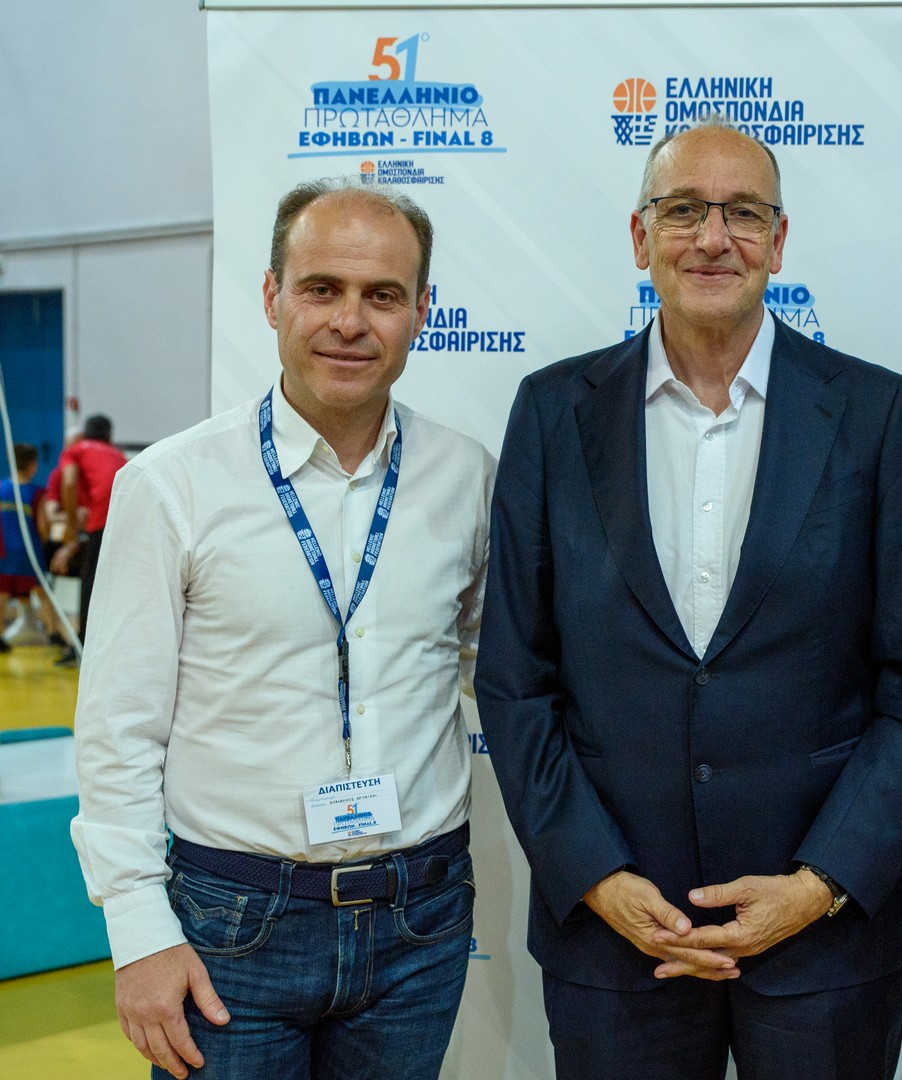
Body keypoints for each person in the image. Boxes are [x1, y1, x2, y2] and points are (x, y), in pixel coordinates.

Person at [474, 116, 902, 1080]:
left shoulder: (874, 413)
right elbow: (515, 681)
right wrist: (598, 878)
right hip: (618, 942)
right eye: (683, 210)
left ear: (779, 241)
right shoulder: (552, 411)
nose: (712, 238)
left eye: (743, 213)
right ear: (639, 236)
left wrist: (817, 887)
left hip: (823, 947)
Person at [71, 179, 495, 1080]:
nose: (350, 321)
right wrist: (138, 930)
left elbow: (493, 668)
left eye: (383, 295)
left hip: (419, 923)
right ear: (272, 297)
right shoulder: (172, 487)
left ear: (422, 312)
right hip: (232, 927)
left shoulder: (467, 478)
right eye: (321, 288)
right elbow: (117, 727)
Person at [49, 414, 127, 663]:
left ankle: (83, 647)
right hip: (126, 522)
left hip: (101, 524)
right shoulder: (119, 455)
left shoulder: (75, 451)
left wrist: (71, 527)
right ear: (109, 436)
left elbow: (69, 482)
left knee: (90, 586)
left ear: (84, 434)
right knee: (117, 586)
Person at [0, 443, 59, 650]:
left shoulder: (1, 488)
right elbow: (43, 527)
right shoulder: (37, 493)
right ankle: (54, 633)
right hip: (29, 552)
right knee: (43, 593)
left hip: (5, 552)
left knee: (2, 594)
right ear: (33, 465)